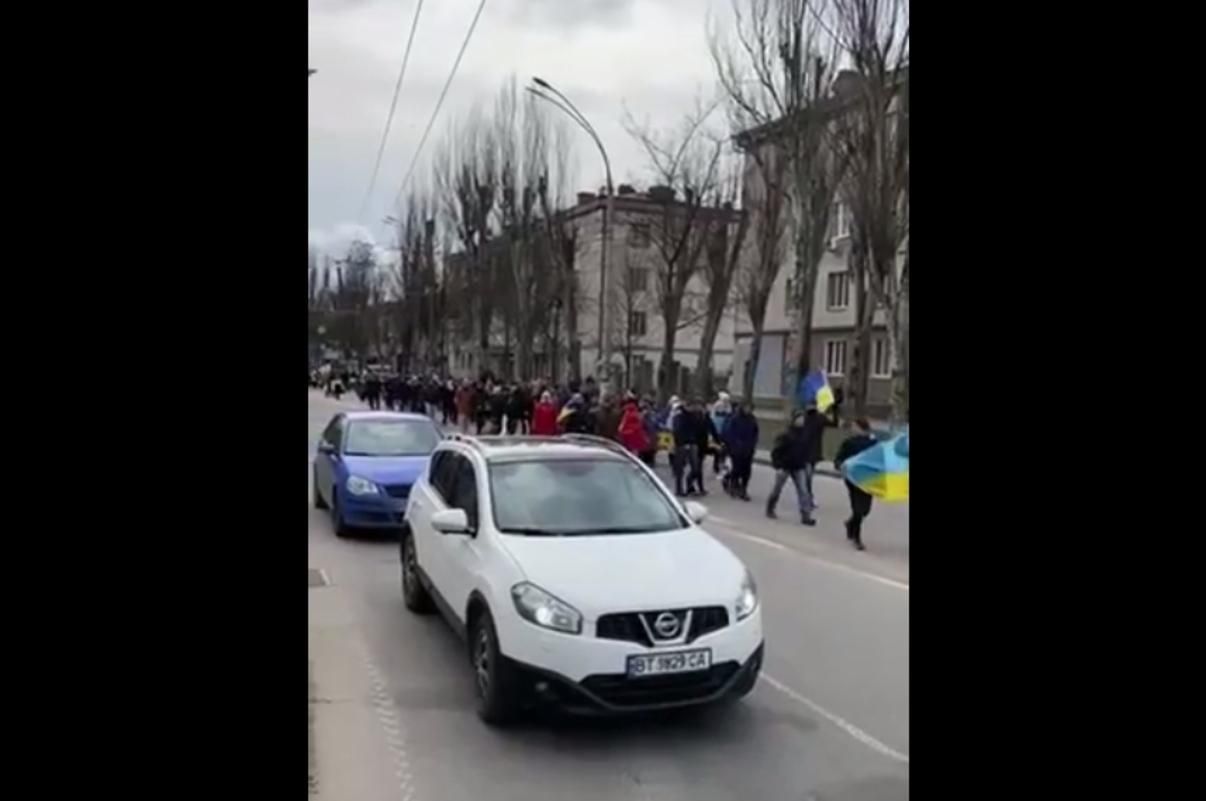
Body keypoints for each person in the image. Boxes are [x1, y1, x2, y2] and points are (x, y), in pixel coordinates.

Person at [834, 418, 878, 551]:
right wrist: (840, 465)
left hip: (868, 479)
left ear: (861, 428)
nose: (852, 429)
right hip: (853, 479)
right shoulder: (849, 443)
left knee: (865, 510)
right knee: (858, 508)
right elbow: (839, 458)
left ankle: (850, 524)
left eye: (855, 427)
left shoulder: (873, 443)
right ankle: (856, 538)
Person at [766, 411, 816, 526]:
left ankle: (806, 515)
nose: (801, 421)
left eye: (802, 419)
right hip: (785, 466)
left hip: (799, 466)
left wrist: (807, 462)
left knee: (803, 491)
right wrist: (777, 465)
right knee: (777, 488)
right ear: (793, 420)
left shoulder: (805, 434)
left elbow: (807, 450)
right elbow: (776, 451)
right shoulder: (786, 435)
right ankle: (770, 507)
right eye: (799, 419)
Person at [800, 404, 835, 512]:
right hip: (808, 452)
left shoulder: (814, 418)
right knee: (807, 477)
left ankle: (807, 498)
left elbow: (833, 423)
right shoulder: (815, 418)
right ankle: (807, 498)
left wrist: (834, 411)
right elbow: (833, 423)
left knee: (807, 477)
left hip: (810, 452)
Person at [723, 402, 759, 501]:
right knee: (737, 469)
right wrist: (735, 444)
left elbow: (755, 433)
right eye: (746, 408)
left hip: (748, 449)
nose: (748, 410)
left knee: (746, 470)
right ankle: (733, 485)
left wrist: (752, 444)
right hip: (736, 449)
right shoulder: (735, 419)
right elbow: (730, 433)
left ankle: (744, 489)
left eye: (750, 408)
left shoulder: (752, 419)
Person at [710, 392, 733, 475]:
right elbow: (713, 416)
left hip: (725, 430)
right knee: (718, 448)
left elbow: (730, 414)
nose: (726, 401)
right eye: (725, 399)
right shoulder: (717, 405)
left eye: (727, 400)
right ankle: (716, 463)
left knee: (724, 448)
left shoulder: (728, 406)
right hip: (718, 429)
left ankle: (722, 462)